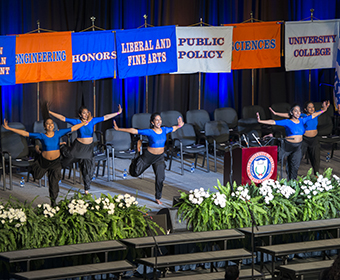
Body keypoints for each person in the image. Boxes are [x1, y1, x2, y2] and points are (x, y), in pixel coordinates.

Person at [2, 117, 85, 206]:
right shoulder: (41, 135)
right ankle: (32, 168)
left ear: (54, 125)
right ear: (44, 127)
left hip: (55, 162)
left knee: (54, 183)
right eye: (48, 124)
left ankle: (53, 203)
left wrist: (84, 123)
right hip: (44, 161)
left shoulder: (58, 133)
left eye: (51, 123)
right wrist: (9, 128)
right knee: (37, 176)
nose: (50, 125)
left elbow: (73, 128)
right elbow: (25, 133)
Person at [113, 112, 184, 205]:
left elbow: (174, 128)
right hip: (148, 156)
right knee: (135, 173)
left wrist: (179, 125)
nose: (159, 121)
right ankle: (136, 159)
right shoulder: (149, 131)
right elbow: (134, 131)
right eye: (156, 120)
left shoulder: (165, 129)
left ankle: (158, 197)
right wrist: (119, 129)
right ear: (152, 122)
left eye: (160, 119)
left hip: (159, 157)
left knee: (160, 178)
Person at [49, 104, 122, 194]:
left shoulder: (92, 121)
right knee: (67, 159)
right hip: (78, 147)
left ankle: (86, 189)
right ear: (80, 114)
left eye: (87, 113)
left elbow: (106, 117)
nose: (86, 114)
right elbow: (63, 118)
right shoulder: (77, 121)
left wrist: (118, 112)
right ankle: (60, 149)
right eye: (84, 113)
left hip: (88, 148)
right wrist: (49, 112)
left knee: (89, 168)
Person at [257, 102, 329, 180]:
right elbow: (273, 122)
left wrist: (323, 110)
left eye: (299, 111)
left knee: (295, 165)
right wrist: (261, 121)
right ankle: (263, 174)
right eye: (296, 111)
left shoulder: (302, 120)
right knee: (276, 159)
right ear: (292, 112)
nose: (298, 113)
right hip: (287, 145)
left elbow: (314, 115)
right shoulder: (288, 121)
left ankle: (292, 181)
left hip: (298, 146)